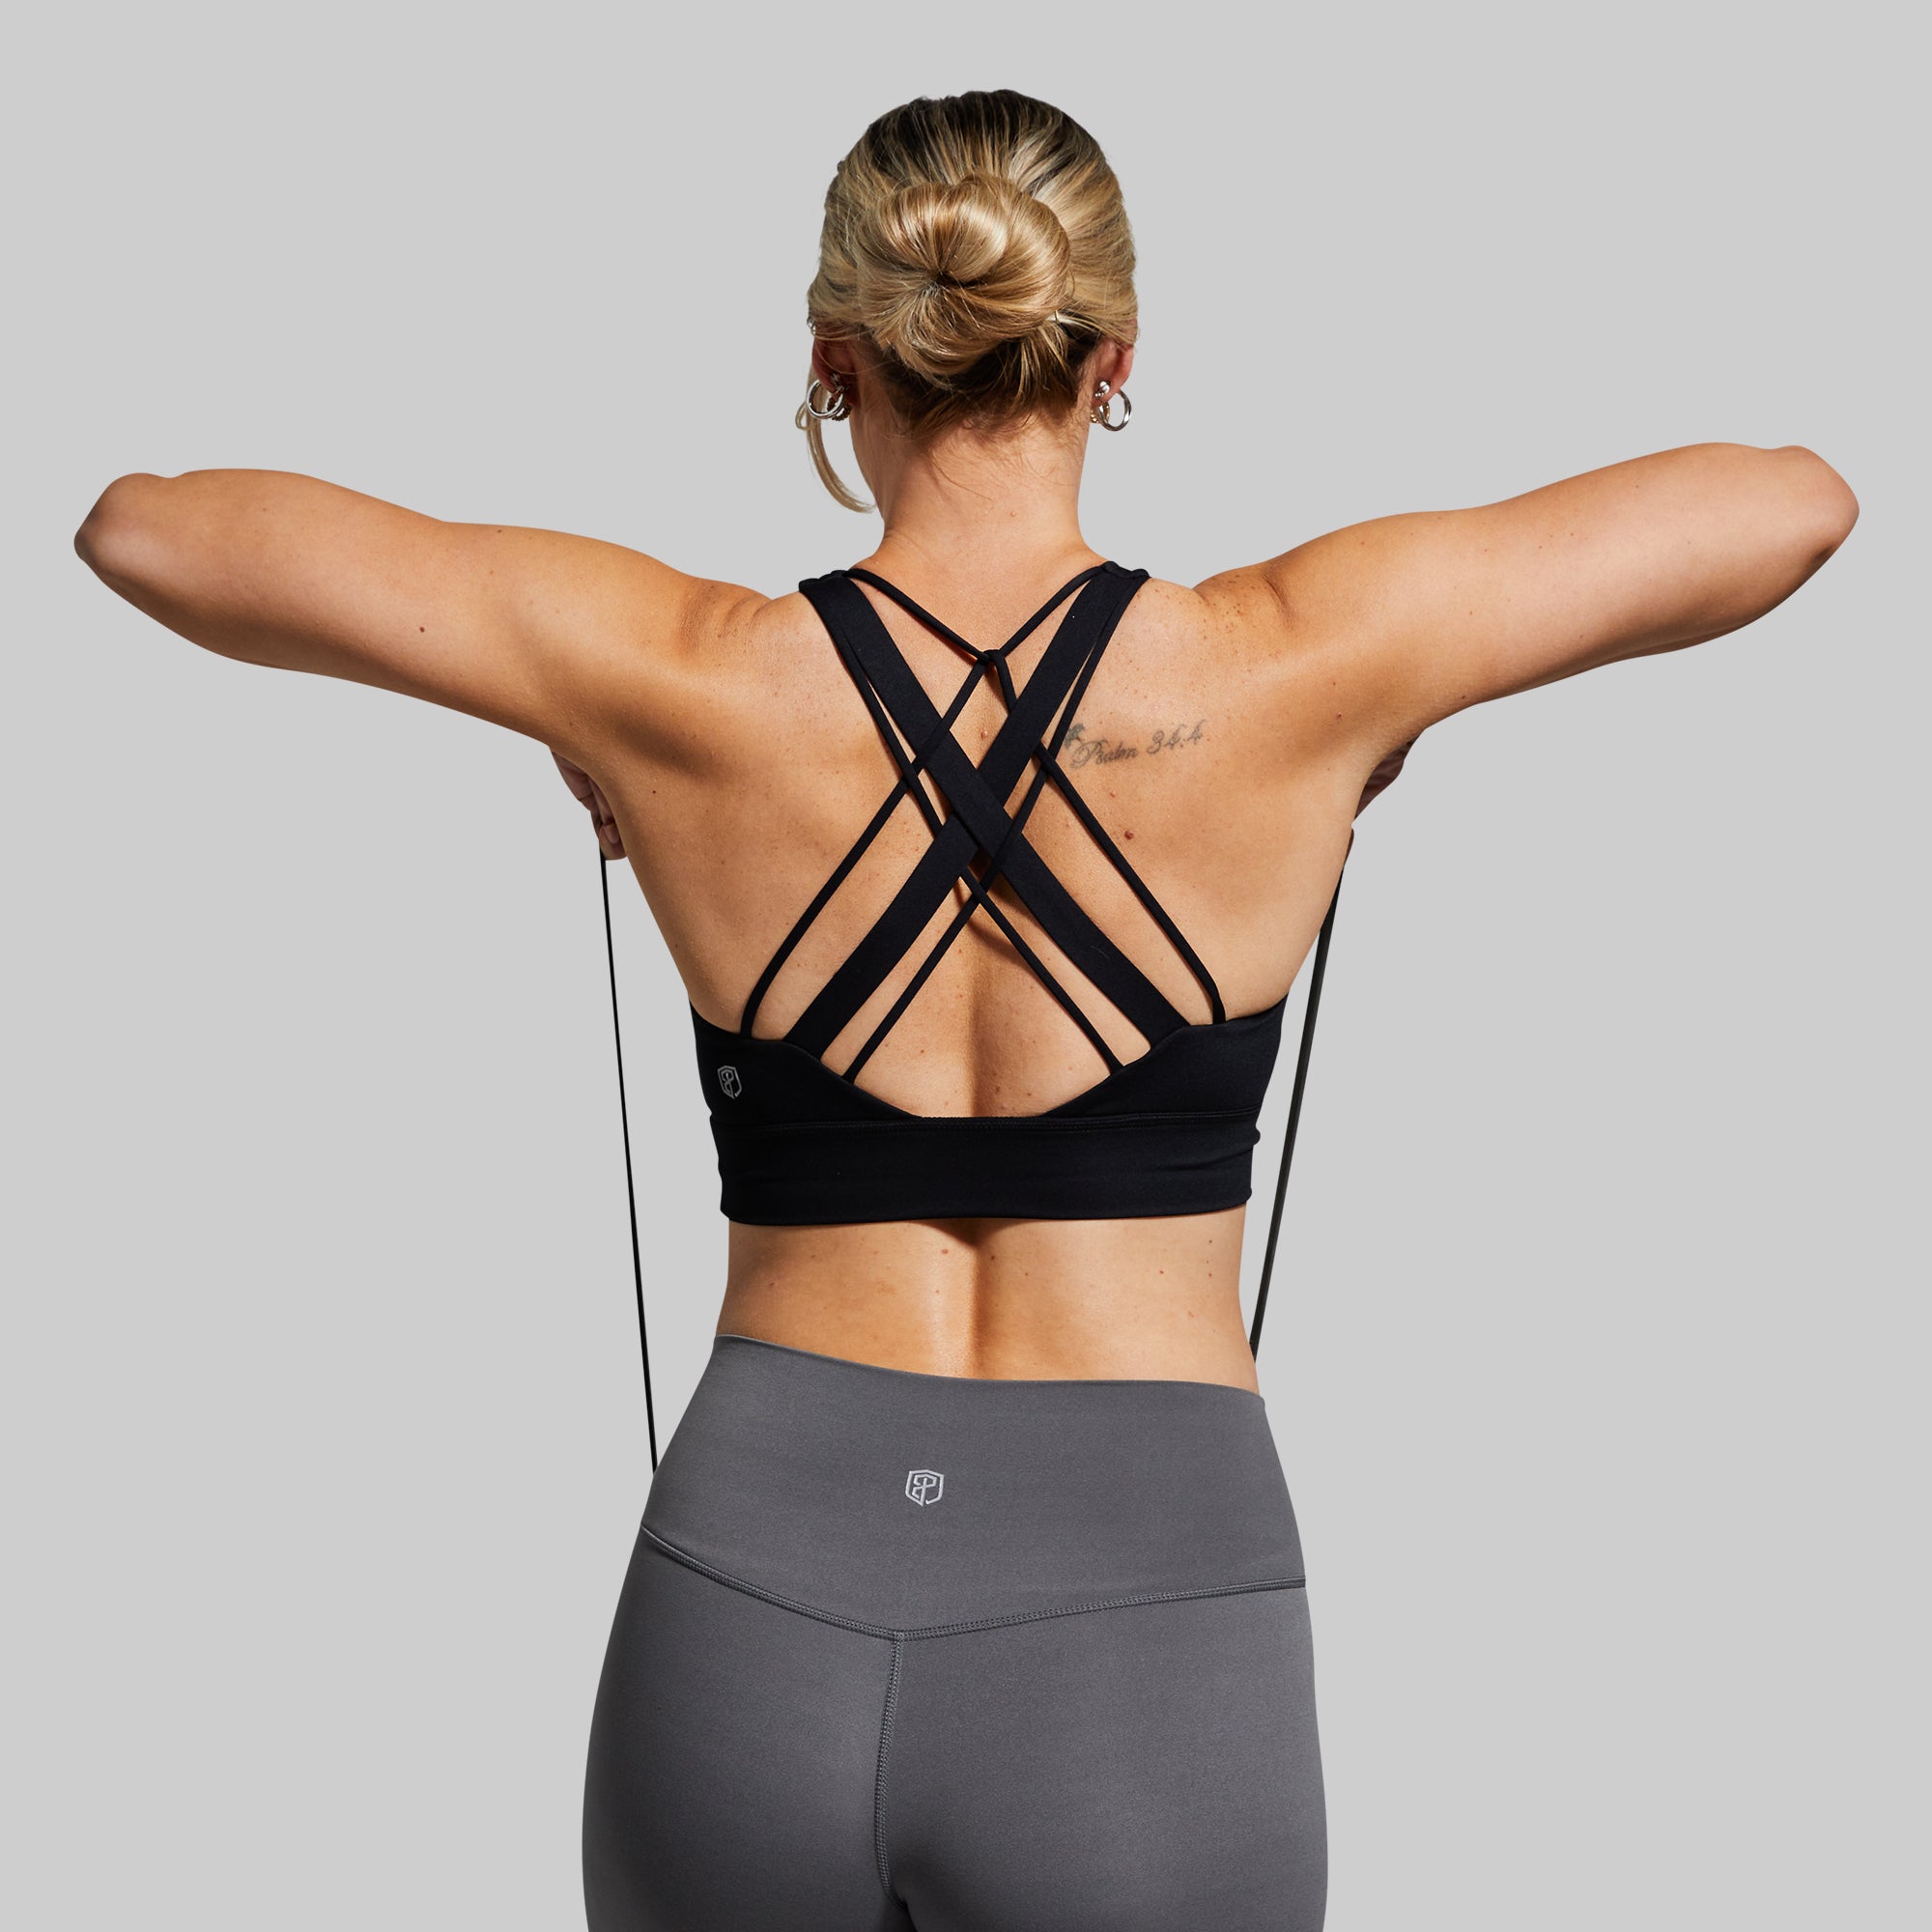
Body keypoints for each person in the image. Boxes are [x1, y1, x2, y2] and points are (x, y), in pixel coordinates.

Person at [74, 87, 1855, 1932]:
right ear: (1114, 360)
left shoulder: (676, 677)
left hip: (750, 1614)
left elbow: (147, 533)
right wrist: (1365, 722)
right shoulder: (1296, 665)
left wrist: (584, 716)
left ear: (833, 363)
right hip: (1151, 1629)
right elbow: (1791, 503)